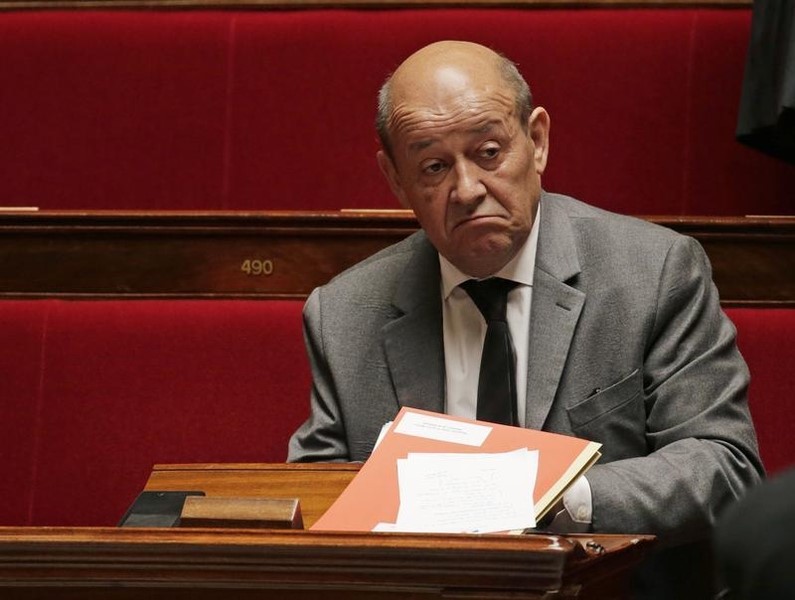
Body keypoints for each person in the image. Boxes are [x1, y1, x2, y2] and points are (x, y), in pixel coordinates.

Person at [288, 40, 763, 597]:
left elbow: (724, 467)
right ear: (396, 180)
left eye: (489, 152)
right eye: (434, 166)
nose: (467, 190)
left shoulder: (652, 272)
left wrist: (548, 496)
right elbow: (316, 496)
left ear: (536, 141)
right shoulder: (345, 313)